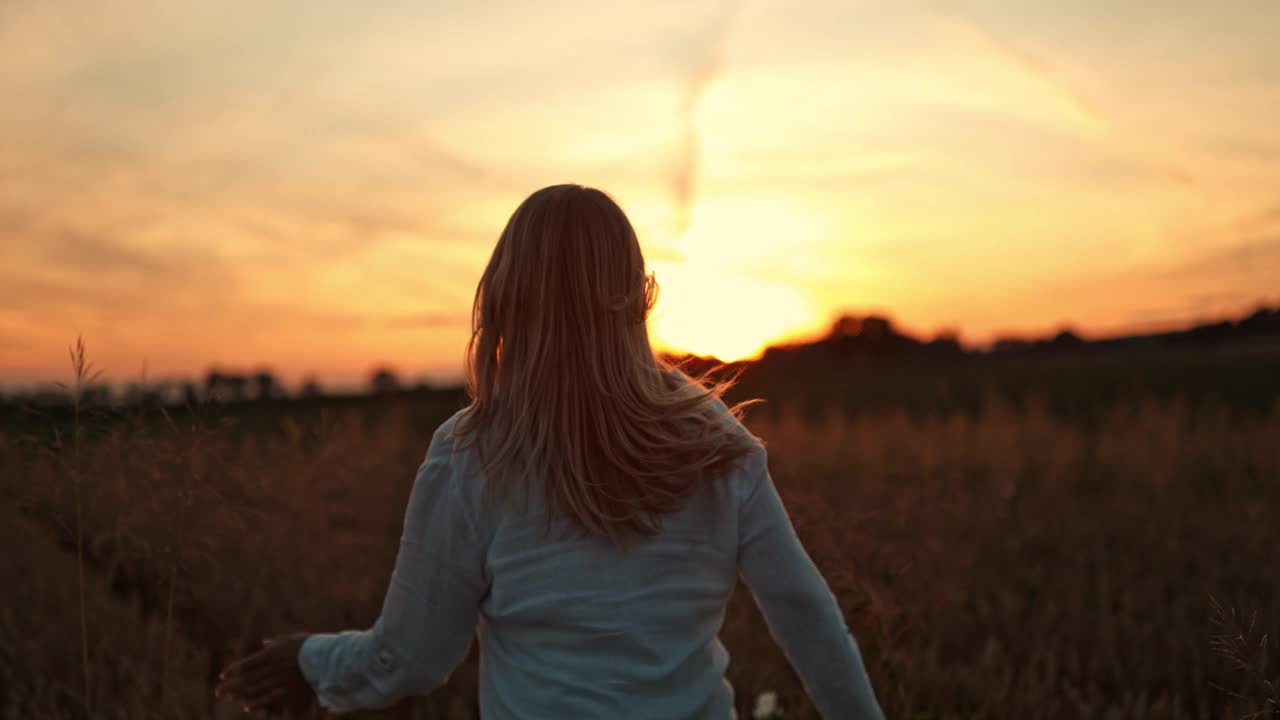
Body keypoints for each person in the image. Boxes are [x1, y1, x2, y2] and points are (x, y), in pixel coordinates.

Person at [215, 184, 885, 719]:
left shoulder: (472, 455)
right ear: (633, 295)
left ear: (508, 299)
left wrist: (313, 661)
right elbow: (808, 619)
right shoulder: (716, 445)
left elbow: (413, 658)